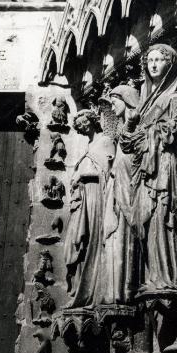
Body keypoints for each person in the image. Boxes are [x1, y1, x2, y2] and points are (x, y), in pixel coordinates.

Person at [120, 44, 177, 291]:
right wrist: (129, 126)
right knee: (146, 223)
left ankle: (168, 278)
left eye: (159, 59)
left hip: (164, 168)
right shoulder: (144, 104)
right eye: (149, 60)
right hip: (143, 172)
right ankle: (152, 278)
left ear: (170, 64)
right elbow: (127, 144)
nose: (153, 64)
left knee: (164, 216)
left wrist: (154, 131)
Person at [64, 109, 115, 308]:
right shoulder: (88, 146)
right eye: (80, 125)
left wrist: (84, 177)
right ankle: (81, 290)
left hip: (97, 199)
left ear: (93, 121)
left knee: (92, 238)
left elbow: (111, 172)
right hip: (83, 199)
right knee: (78, 242)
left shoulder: (105, 141)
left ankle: (94, 290)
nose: (82, 127)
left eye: (85, 122)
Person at [101, 85, 141, 305]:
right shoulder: (121, 129)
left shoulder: (135, 124)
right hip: (116, 191)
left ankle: (125, 290)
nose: (112, 105)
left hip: (128, 191)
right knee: (113, 239)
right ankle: (114, 290)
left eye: (115, 100)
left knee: (124, 237)